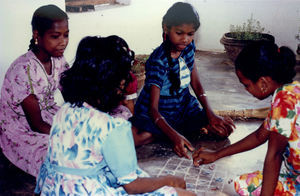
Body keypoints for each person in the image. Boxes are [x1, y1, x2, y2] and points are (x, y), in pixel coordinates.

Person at [34, 35, 195, 196]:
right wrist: (169, 180)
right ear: (117, 86)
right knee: (185, 193)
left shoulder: (64, 111)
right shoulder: (113, 127)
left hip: (53, 190)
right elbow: (132, 186)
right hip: (88, 192)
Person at [193, 41, 299, 195]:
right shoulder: (291, 90)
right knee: (243, 184)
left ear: (263, 83)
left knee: (242, 186)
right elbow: (259, 136)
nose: (246, 89)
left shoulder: (284, 100)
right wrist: (217, 154)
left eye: (246, 85)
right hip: (295, 177)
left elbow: (274, 155)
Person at [130, 2, 234, 159]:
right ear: (166, 28)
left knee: (222, 131)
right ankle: (174, 131)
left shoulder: (189, 48)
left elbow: (196, 85)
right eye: (179, 33)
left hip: (183, 106)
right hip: (159, 110)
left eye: (190, 34)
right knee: (139, 138)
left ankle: (175, 130)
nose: (185, 39)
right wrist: (174, 136)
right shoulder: (158, 60)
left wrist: (210, 114)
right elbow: (153, 110)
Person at [0, 4, 69, 177]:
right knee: (61, 154)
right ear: (37, 35)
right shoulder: (24, 70)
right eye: (55, 36)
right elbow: (36, 124)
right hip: (22, 127)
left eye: (66, 35)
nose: (63, 42)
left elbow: (71, 94)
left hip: (49, 114)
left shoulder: (58, 59)